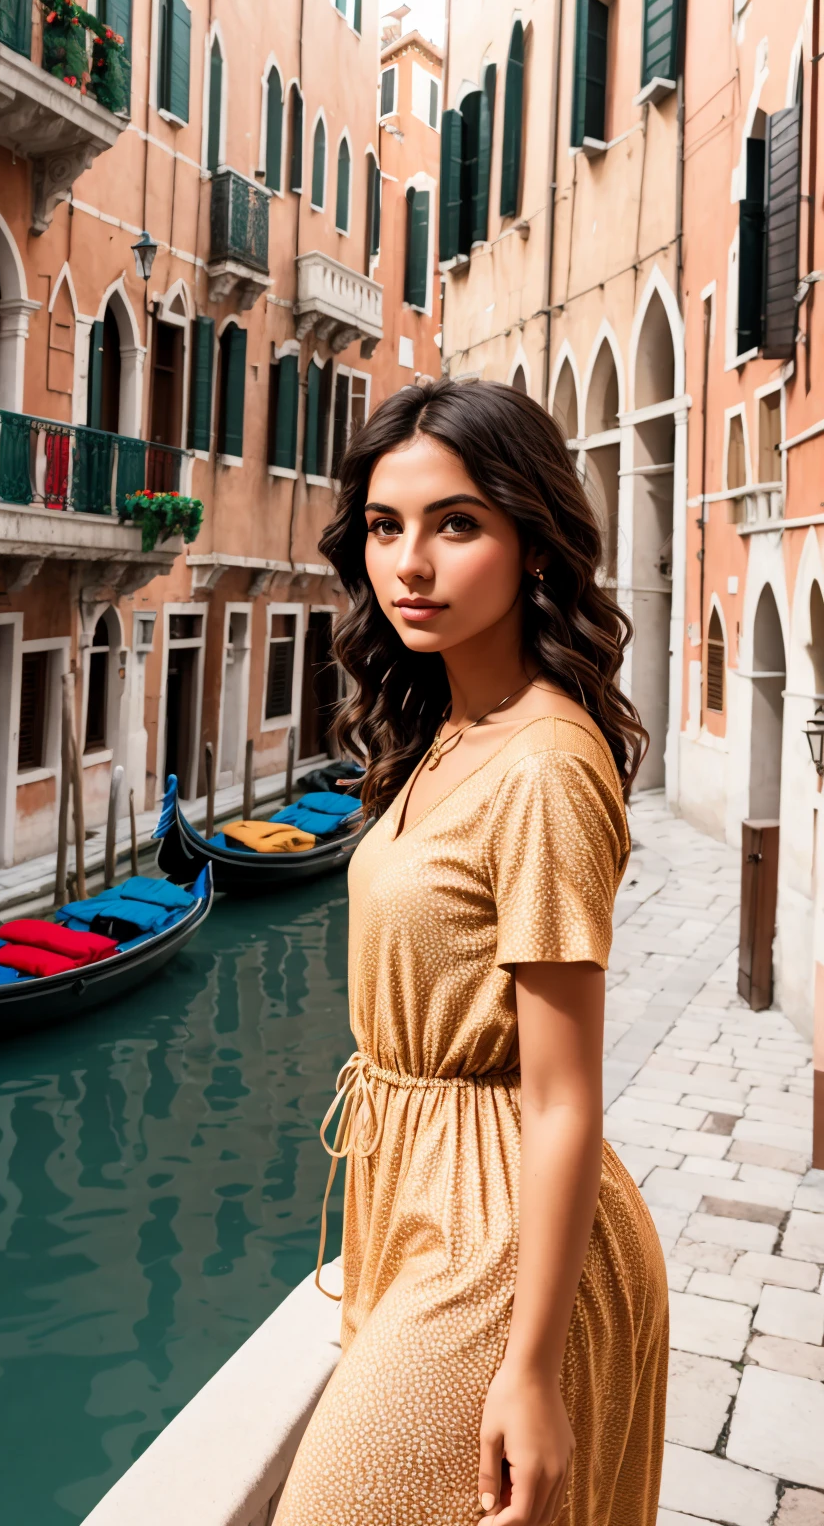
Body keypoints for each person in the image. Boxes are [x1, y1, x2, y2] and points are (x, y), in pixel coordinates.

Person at [274, 379, 668, 1526]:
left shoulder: (542, 761)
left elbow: (560, 1098)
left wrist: (533, 1372)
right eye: (386, 528)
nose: (409, 564)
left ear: (532, 544)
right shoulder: (445, 732)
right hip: (416, 1199)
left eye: (455, 524)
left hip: (499, 1231)